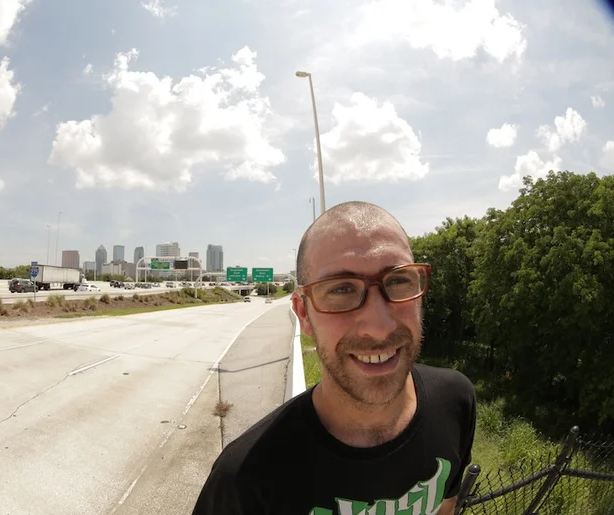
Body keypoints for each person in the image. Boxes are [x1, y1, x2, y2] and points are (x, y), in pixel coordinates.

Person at [192, 201, 477, 515]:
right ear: (303, 314)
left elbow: (445, 506)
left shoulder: (456, 402)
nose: (379, 326)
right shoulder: (243, 482)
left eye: (398, 281)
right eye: (341, 289)